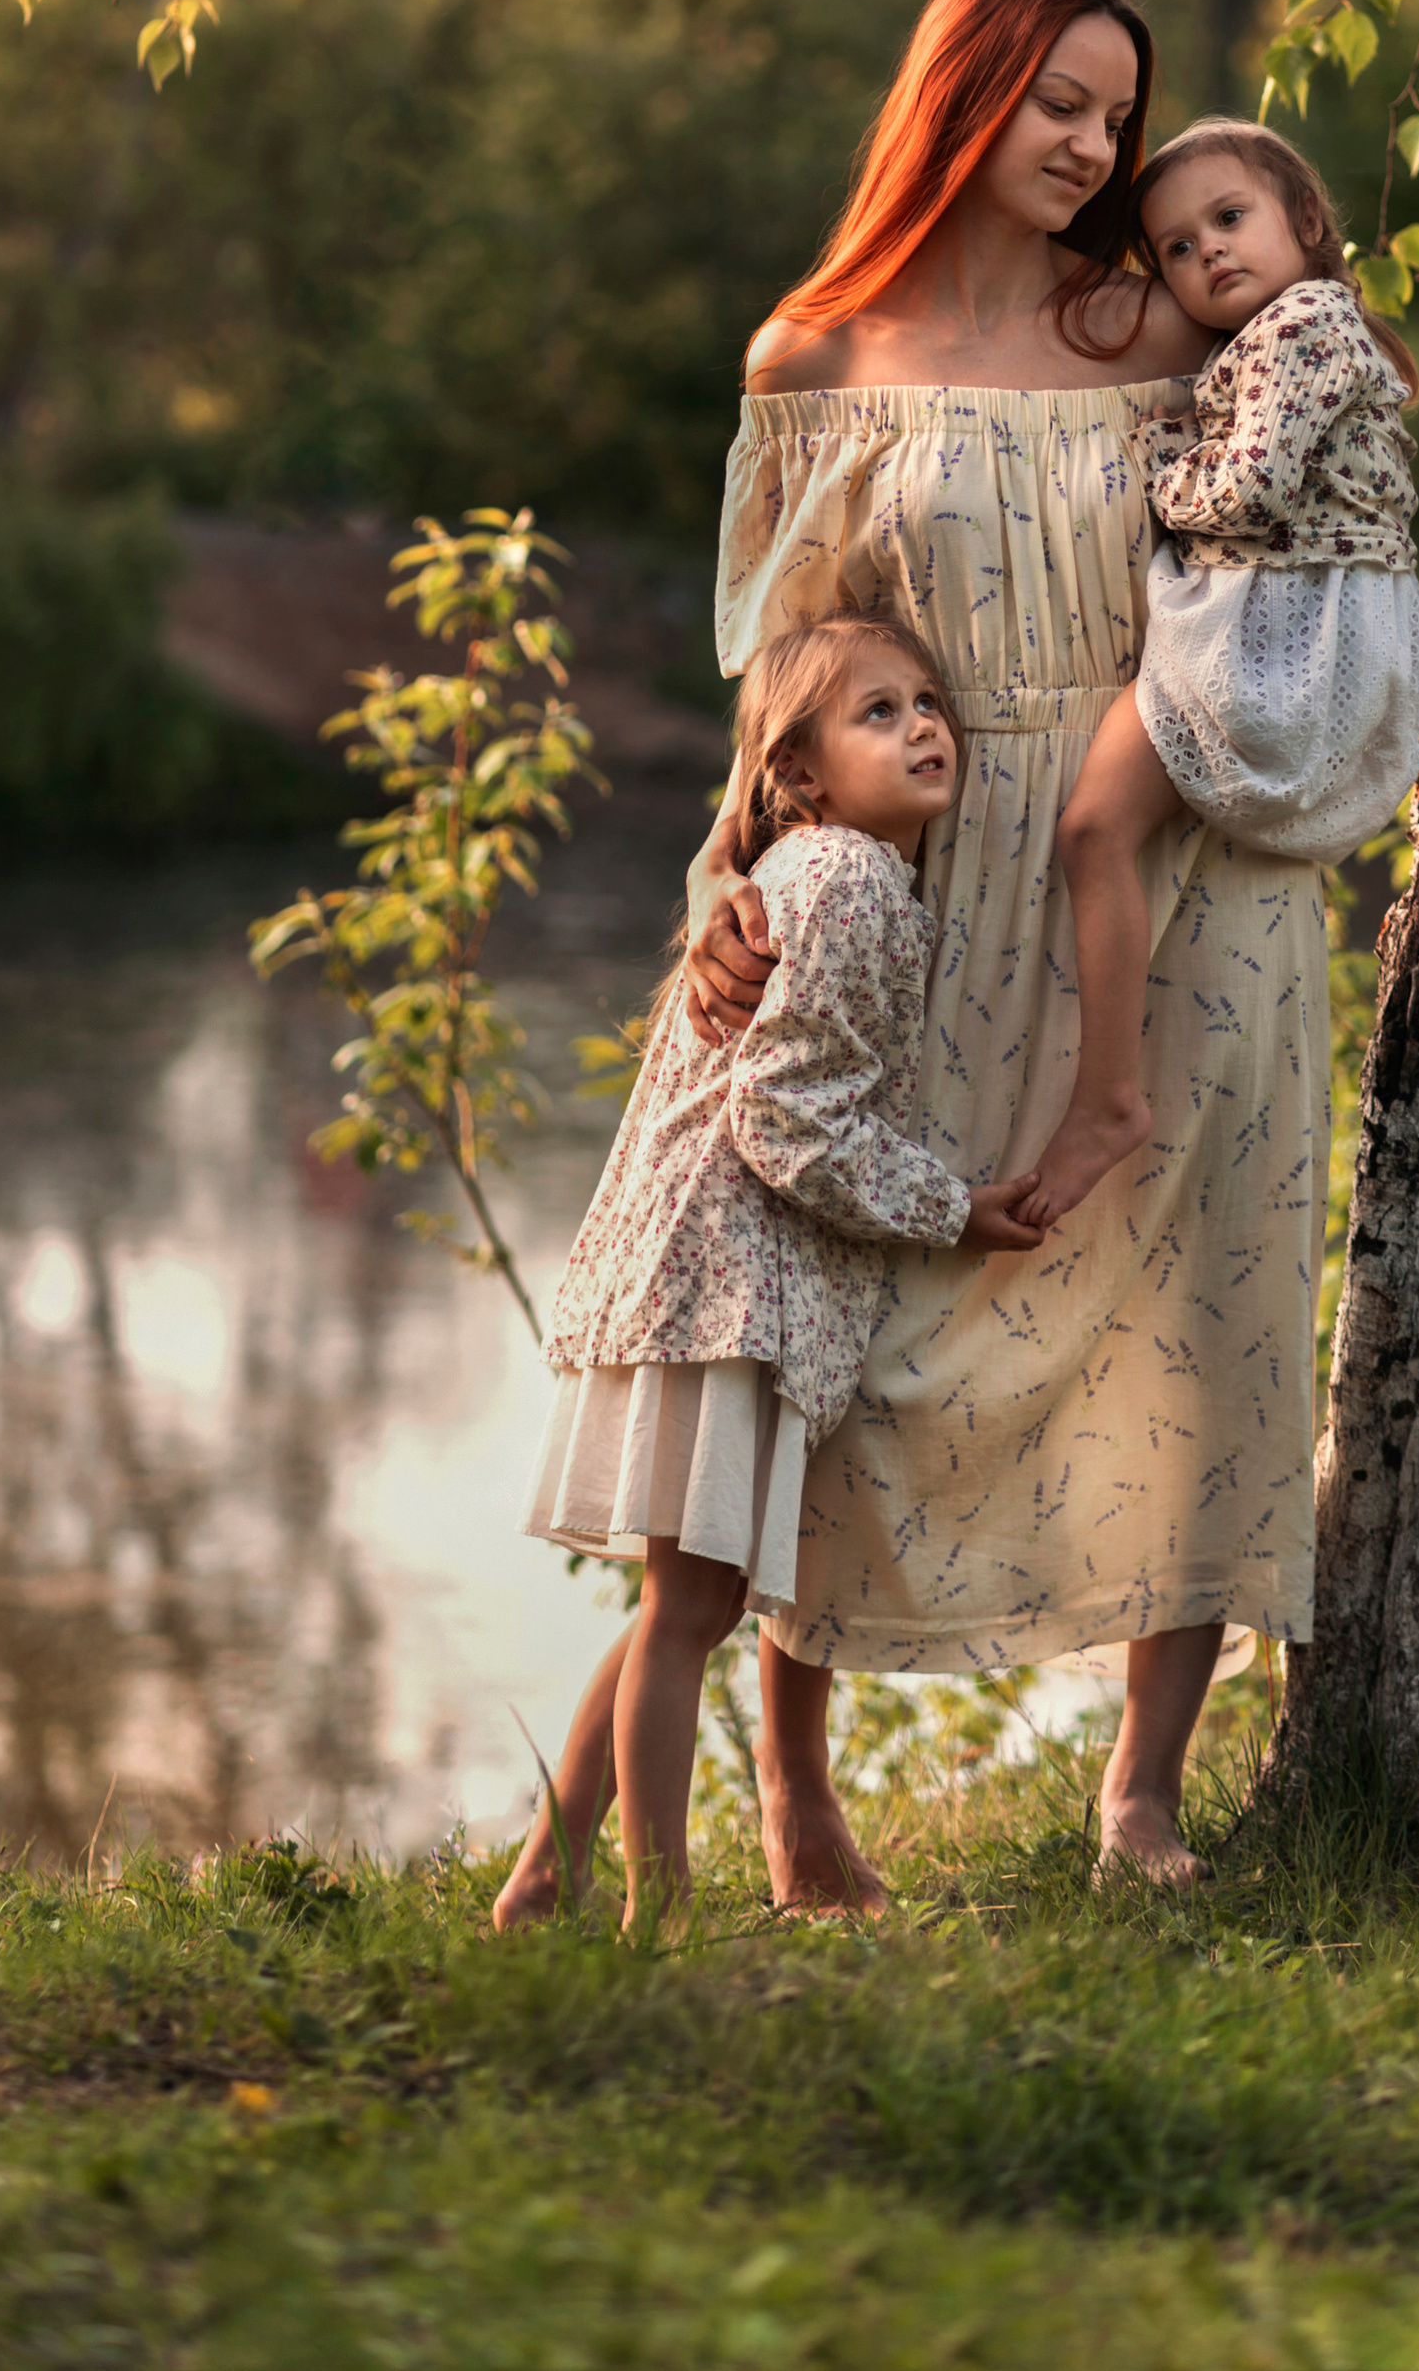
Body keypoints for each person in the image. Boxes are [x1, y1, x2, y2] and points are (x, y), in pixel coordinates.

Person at [687, 0, 1333, 1896]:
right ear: (958, 85)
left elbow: (1319, 467)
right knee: (858, 1318)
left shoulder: (1154, 324)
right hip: (934, 878)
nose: (1090, 144)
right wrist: (734, 877)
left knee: (1195, 1328)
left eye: (1114, 114)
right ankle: (796, 1797)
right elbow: (783, 670)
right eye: (1058, 100)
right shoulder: (819, 351)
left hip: (1189, 872)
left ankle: (1140, 1788)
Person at [494, 611, 1045, 1932]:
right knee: (688, 1607)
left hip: (706, 1267)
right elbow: (785, 1119)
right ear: (798, 774)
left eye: (927, 700)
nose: (923, 724)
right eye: (878, 712)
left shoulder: (822, 871)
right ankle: (658, 1910)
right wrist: (949, 1208)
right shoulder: (850, 883)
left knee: (690, 1598)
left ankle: (542, 1877)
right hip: (720, 1277)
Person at [1028, 122, 1419, 1235]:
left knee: (1092, 831)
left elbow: (1247, 486)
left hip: (1287, 628)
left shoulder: (1304, 321)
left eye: (1228, 219)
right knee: (1112, 837)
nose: (1204, 253)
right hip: (1305, 615)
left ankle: (1108, 1098)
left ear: (1304, 222)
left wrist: (1158, 473)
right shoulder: (1284, 335)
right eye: (1171, 247)